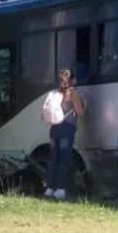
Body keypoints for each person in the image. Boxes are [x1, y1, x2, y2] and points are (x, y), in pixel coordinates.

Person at [44, 69, 86, 200]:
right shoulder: (72, 94)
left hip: (54, 129)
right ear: (72, 80)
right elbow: (80, 113)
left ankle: (50, 188)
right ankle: (60, 189)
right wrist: (86, 106)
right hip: (66, 129)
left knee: (53, 159)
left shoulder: (55, 93)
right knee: (64, 159)